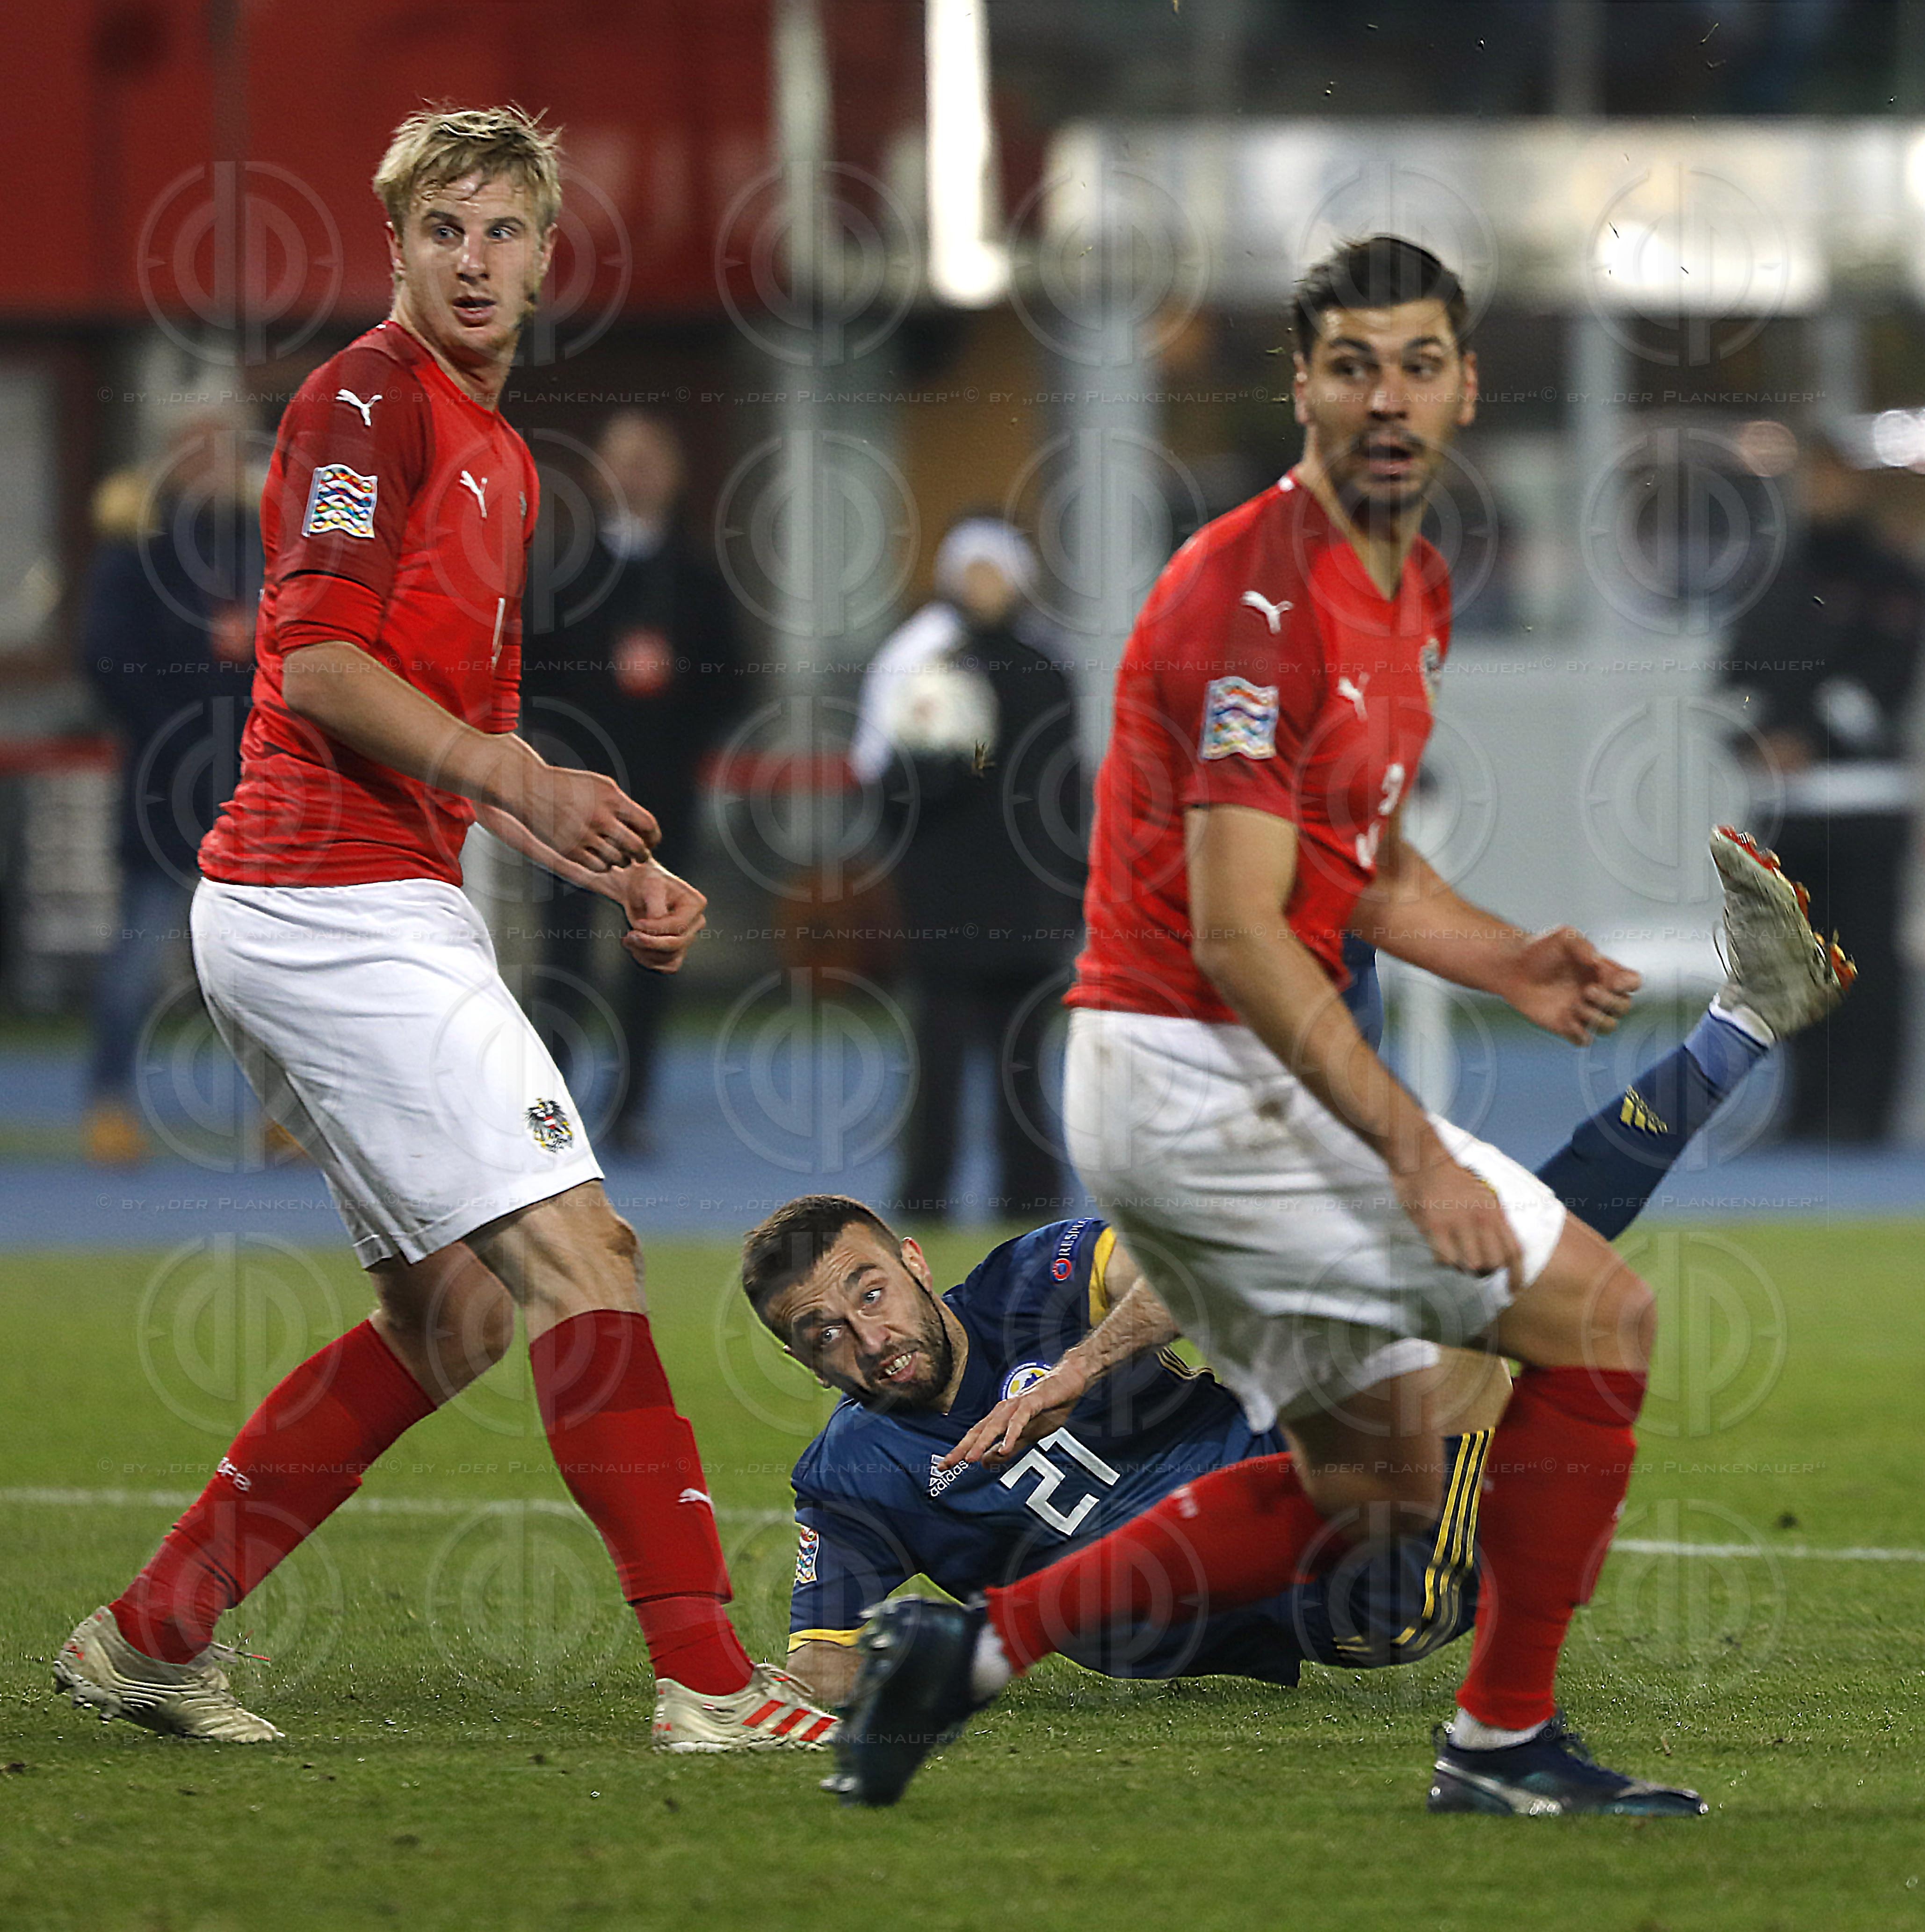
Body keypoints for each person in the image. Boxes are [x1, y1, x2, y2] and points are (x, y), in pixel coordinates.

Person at [829, 236, 1850, 1815]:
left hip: (1197, 1078)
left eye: (1420, 363)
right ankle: (1501, 1744)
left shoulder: (1409, 583)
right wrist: (1407, 1150)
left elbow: (1347, 859)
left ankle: (957, 1660)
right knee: (1596, 1318)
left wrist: (1501, 958)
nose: (1388, 397)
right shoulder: (1250, 595)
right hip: (1196, 1079)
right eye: (1353, 364)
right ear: (1300, 384)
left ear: (1459, 386)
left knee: (1361, 1495)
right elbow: (1241, 930)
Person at [53, 105, 833, 1753]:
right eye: (443, 232)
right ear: (397, 243)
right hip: (323, 898)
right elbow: (323, 666)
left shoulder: (496, 455)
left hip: (368, 897)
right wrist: (507, 771)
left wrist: (598, 862)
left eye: (503, 234)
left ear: (547, 256)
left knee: (460, 1314)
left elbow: (467, 730)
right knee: (586, 1254)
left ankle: (148, 1635)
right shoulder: (362, 402)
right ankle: (703, 1678)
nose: (473, 262)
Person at [753, 844, 1838, 1709]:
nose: (862, 1333)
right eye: (819, 1333)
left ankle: (1740, 1017)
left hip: (1338, 1473)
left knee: (1470, 1265)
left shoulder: (1033, 1280)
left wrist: (1073, 1368)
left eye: (865, 1289)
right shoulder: (852, 1475)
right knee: (1472, 1271)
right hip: (1336, 1597)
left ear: (911, 1258)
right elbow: (824, 1661)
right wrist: (797, 1685)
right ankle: (1737, 1018)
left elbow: (1199, 1254)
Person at [521, 411, 752, 1155]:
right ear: (597, 474)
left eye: (650, 459)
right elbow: (525, 677)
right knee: (560, 958)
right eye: (622, 459)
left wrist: (676, 746)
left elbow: (732, 685)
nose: (635, 474)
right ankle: (547, 1115)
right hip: (568, 803)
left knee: (651, 954)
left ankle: (632, 1110)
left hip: (660, 800)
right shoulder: (561, 572)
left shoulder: (699, 579)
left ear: (676, 474)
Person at [848, 516, 1086, 1221]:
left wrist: (1073, 892)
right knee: (939, 1064)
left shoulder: (1048, 669)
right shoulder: (920, 664)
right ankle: (926, 1198)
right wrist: (939, 765)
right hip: (943, 904)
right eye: (972, 571)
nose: (985, 586)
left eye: (997, 571)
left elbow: (1065, 795)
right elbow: (886, 789)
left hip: (1028, 906)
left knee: (1023, 1067)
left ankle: (1032, 1202)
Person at [1721, 430, 1920, 1143]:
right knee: (1795, 967)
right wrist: (1753, 739)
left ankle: (1861, 1113)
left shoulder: (1888, 577)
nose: (1819, 493)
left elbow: (1880, 688)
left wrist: (1805, 733)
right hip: (1787, 808)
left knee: (1863, 958)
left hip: (1863, 804)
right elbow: (1736, 679)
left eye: (1832, 478)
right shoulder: (1774, 574)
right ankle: (1807, 1108)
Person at [80, 411, 259, 1165]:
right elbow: (103, 656)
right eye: (194, 448)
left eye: (220, 446)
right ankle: (110, 1103)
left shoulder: (266, 546)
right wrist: (177, 730)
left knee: (266, 966)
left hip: (256, 790)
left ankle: (283, 1118)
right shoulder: (137, 551)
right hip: (161, 789)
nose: (208, 461)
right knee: (139, 958)